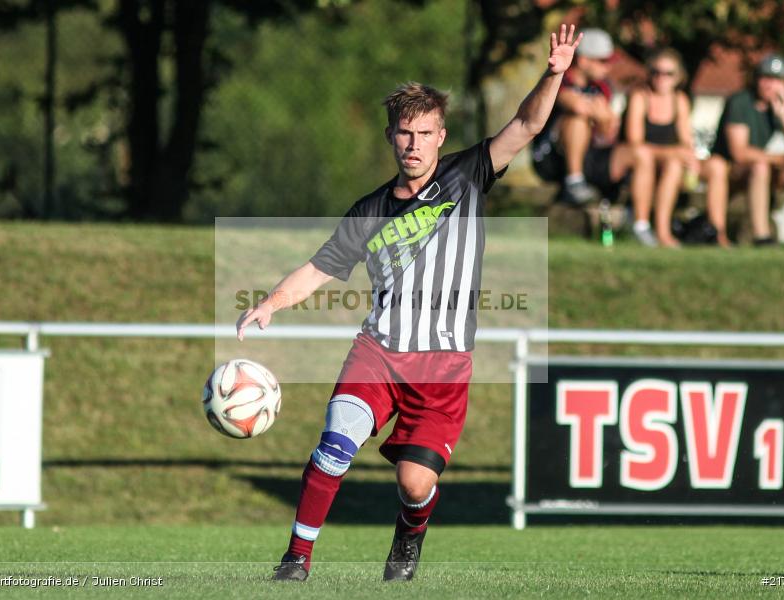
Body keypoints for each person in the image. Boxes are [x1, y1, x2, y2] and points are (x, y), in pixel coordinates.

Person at [236, 24, 583, 583]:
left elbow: (526, 124)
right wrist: (271, 303)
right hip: (380, 351)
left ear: (441, 136)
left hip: (444, 366)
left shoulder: (468, 176)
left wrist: (554, 73)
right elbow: (322, 266)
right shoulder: (370, 209)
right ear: (391, 138)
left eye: (424, 133)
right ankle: (296, 559)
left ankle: (410, 534)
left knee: (415, 484)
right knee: (335, 443)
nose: (414, 143)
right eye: (404, 133)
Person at [531, 27, 657, 246]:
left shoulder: (603, 87)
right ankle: (574, 181)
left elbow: (608, 130)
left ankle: (640, 225)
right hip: (553, 159)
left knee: (641, 153)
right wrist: (600, 114)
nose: (609, 66)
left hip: (591, 154)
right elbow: (576, 105)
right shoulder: (559, 77)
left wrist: (604, 118)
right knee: (577, 120)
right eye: (602, 61)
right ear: (583, 60)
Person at [708, 53, 784, 248]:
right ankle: (762, 236)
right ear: (757, 79)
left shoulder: (777, 107)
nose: (770, 85)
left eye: (777, 80)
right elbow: (739, 153)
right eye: (766, 78)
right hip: (732, 170)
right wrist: (783, 159)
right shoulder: (741, 102)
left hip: (761, 168)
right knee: (760, 166)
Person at [624, 48, 717, 247]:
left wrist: (689, 158)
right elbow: (635, 141)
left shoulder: (680, 100)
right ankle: (660, 231)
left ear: (678, 77)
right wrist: (674, 153)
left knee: (712, 166)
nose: (661, 78)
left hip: (669, 164)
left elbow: (685, 140)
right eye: (656, 72)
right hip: (640, 161)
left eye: (668, 73)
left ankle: (718, 233)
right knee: (663, 160)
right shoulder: (640, 97)